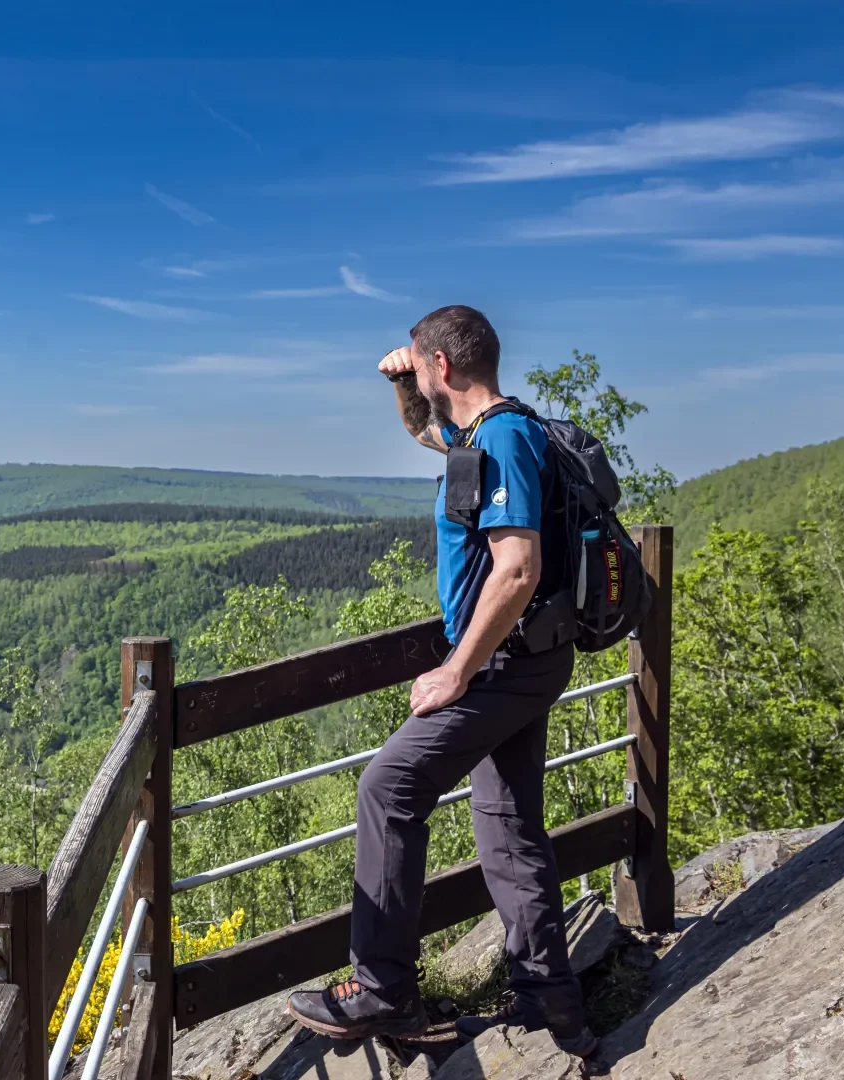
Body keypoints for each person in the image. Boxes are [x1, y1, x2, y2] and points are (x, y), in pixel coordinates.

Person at [284, 305, 597, 1057]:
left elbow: (516, 569)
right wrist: (401, 385)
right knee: (507, 821)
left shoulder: (505, 442)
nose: (417, 377)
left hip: (503, 663)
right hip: (526, 656)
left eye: (422, 366)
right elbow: (429, 434)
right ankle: (552, 1001)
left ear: (445, 367)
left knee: (387, 789)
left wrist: (457, 671)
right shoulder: (488, 434)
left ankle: (382, 988)